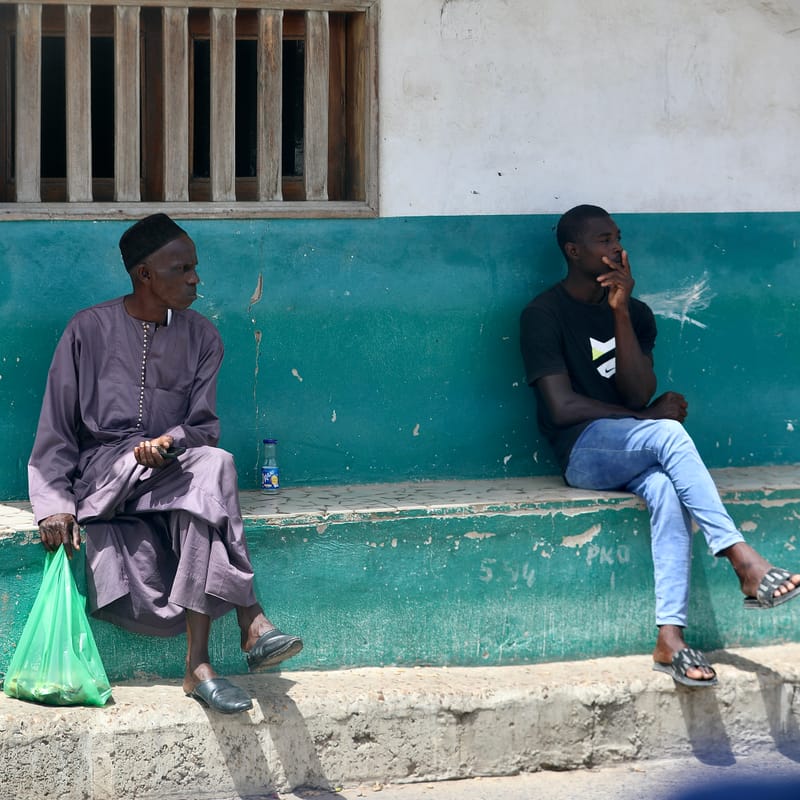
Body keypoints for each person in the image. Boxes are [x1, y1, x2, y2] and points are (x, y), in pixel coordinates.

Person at [28, 213, 303, 714]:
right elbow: (56, 428)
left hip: (172, 471)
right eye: (183, 269)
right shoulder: (87, 330)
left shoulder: (204, 339)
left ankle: (198, 667)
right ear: (144, 275)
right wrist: (52, 503)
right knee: (209, 482)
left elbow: (201, 428)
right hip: (105, 473)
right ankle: (252, 617)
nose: (196, 278)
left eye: (195, 267)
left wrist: (167, 443)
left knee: (211, 470)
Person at [519, 203, 800, 687]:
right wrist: (647, 419)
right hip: (584, 454)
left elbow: (634, 391)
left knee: (668, 491)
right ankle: (742, 559)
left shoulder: (639, 314)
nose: (617, 249)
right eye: (604, 241)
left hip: (635, 447)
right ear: (573, 250)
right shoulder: (543, 314)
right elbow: (561, 408)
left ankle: (669, 639)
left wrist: (622, 312)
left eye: (617, 238)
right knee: (667, 432)